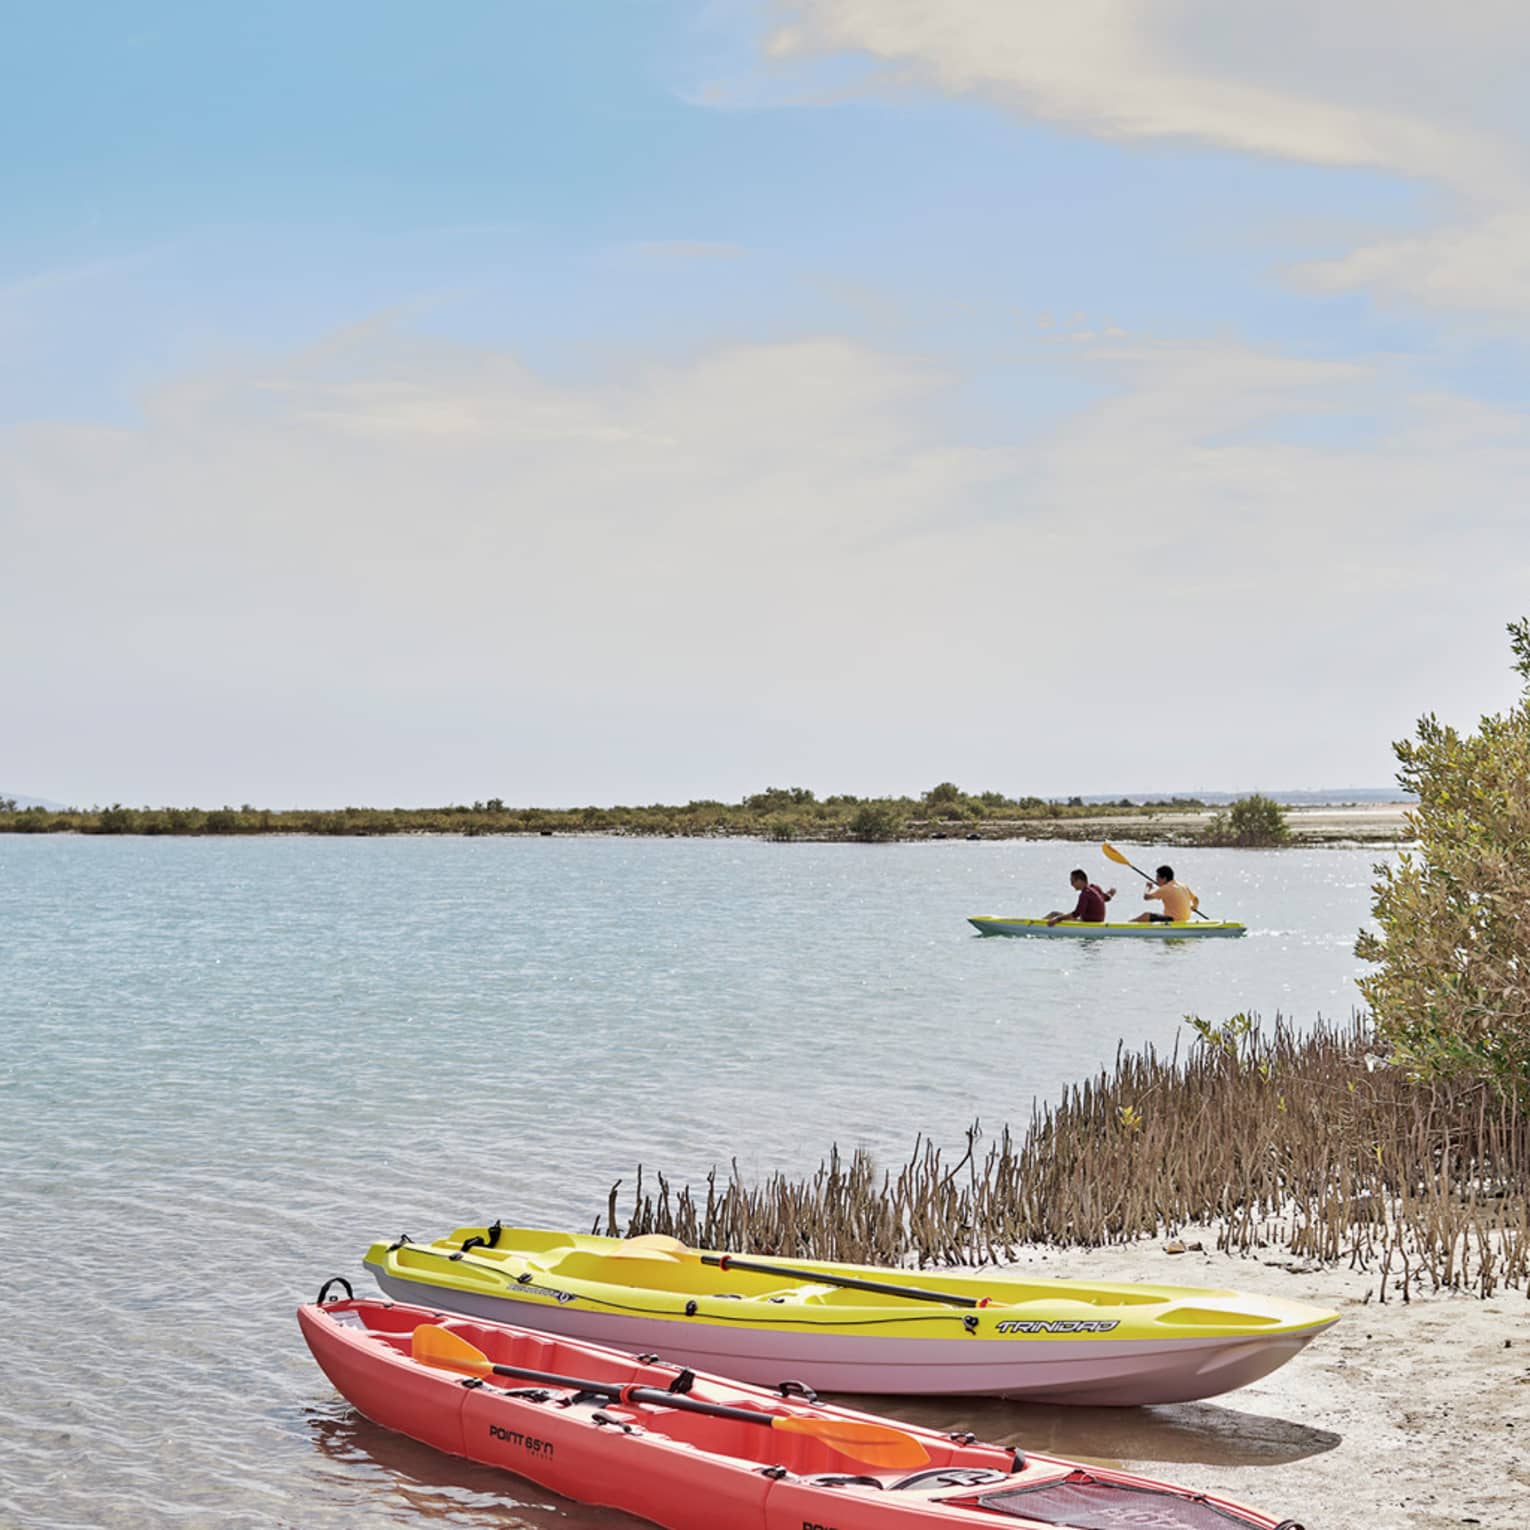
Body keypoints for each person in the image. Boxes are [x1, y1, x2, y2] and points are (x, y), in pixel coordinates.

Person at [1131, 864, 1199, 923]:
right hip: (1185, 919)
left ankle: (1128, 924)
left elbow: (1146, 897)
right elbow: (1196, 899)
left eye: (1158, 877)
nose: (1156, 879)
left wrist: (1148, 887)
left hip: (1173, 920)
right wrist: (1194, 907)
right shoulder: (1183, 886)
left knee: (1146, 915)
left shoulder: (1165, 889)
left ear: (1164, 878)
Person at [1046, 869, 1116, 925]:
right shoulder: (1095, 888)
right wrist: (1110, 893)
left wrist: (1057, 919)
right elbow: (1105, 898)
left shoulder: (1085, 894)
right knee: (1058, 916)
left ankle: (1039, 926)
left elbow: (1076, 913)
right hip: (1098, 923)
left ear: (1079, 881)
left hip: (1087, 925)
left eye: (1072, 881)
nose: (1071, 884)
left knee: (1054, 914)